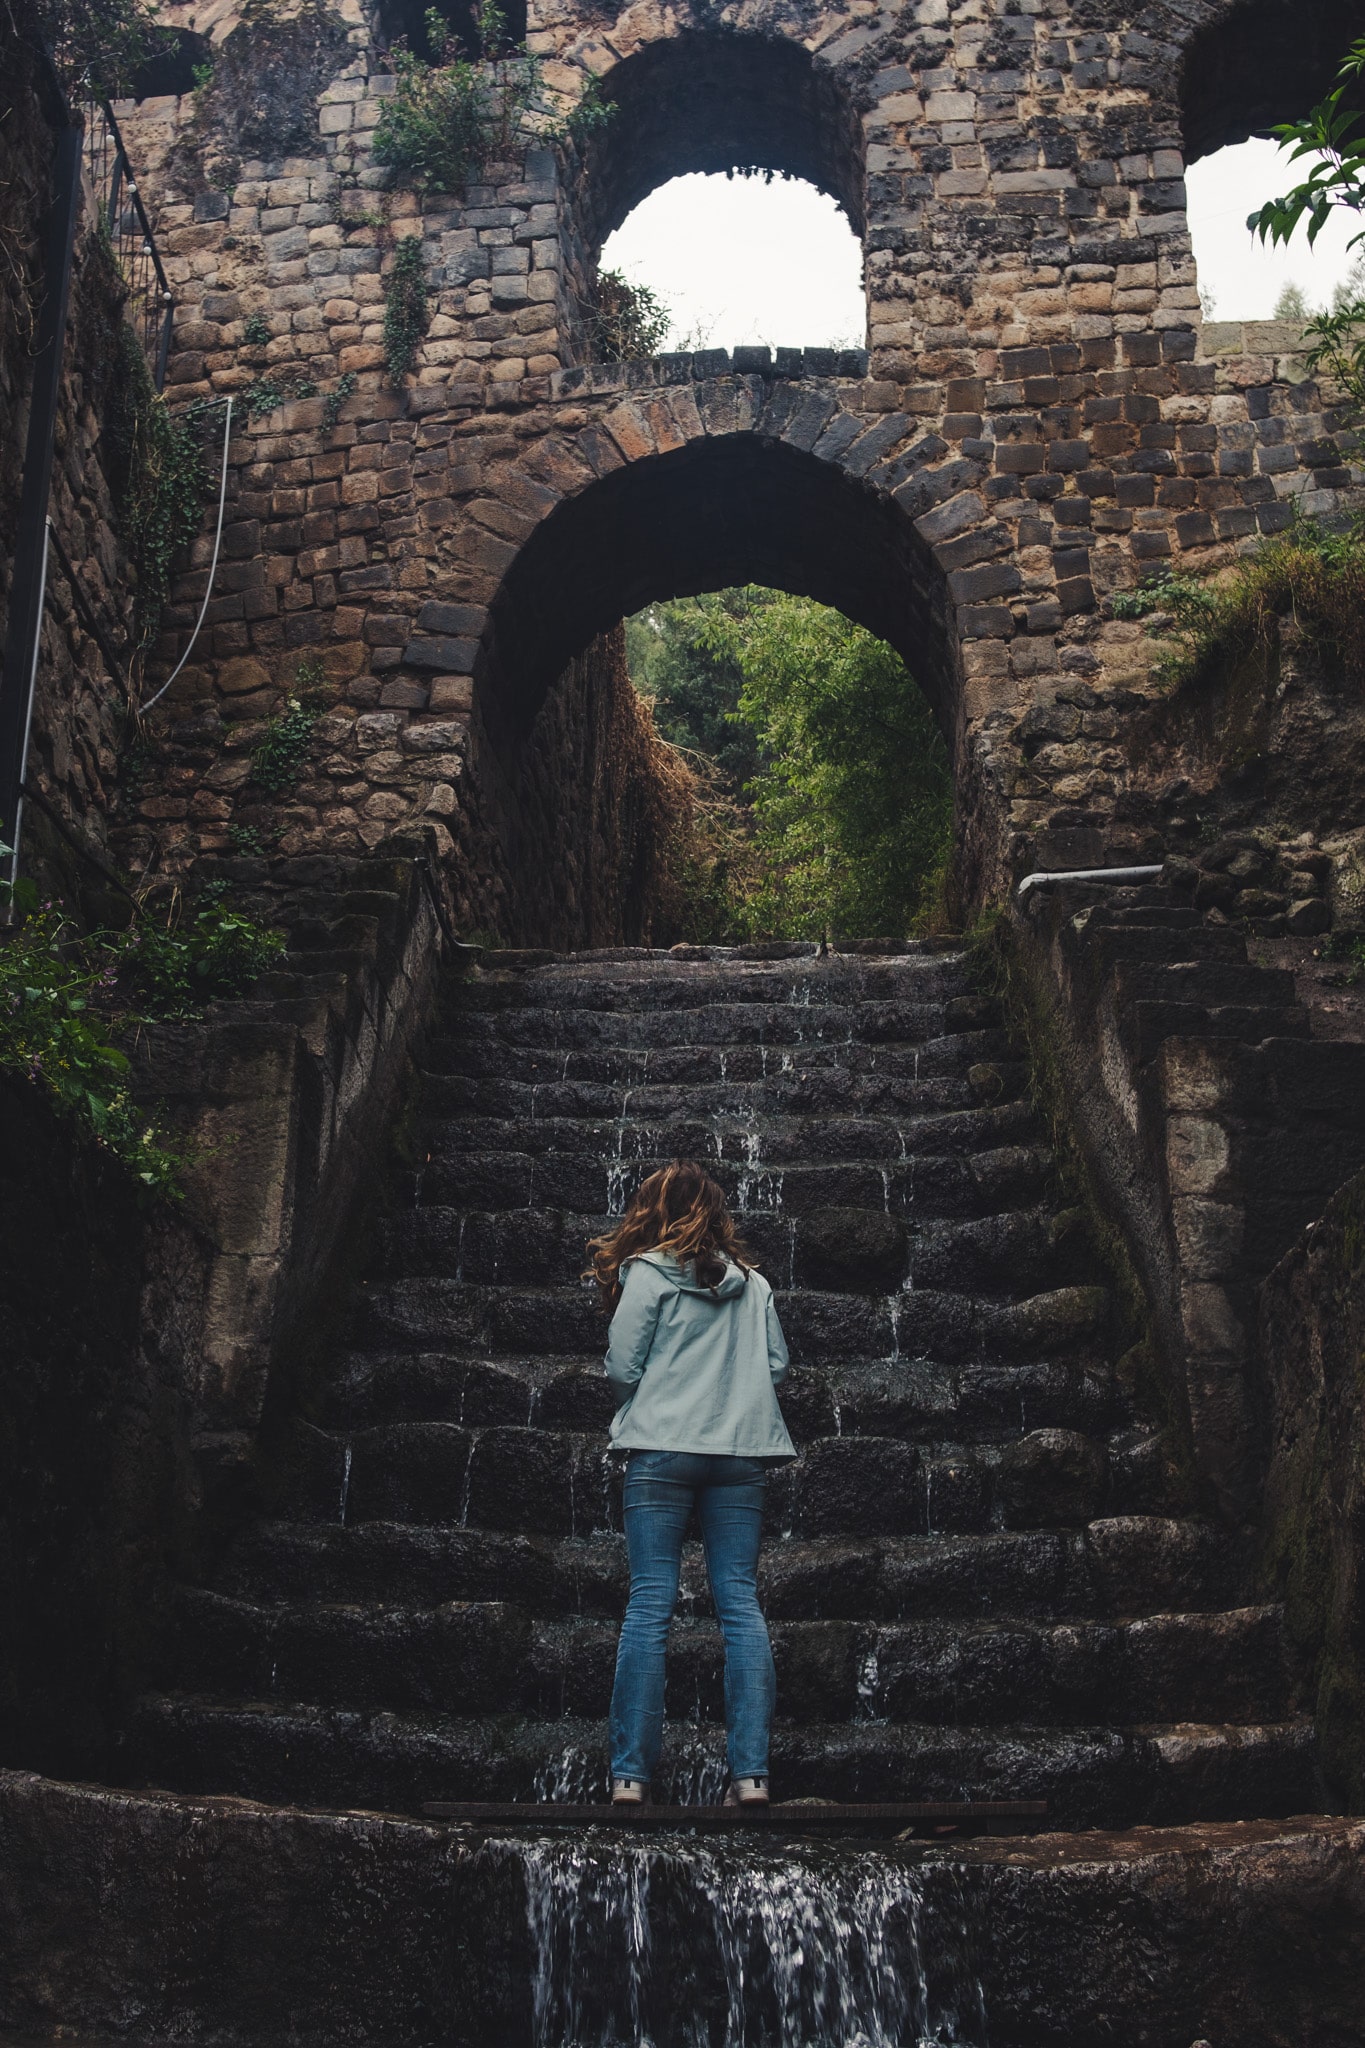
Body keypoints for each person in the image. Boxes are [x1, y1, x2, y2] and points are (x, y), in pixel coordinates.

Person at [585, 1159, 795, 1808]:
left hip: (663, 1451)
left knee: (650, 1602)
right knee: (739, 1601)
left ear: (652, 1210)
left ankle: (629, 1778)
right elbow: (777, 1366)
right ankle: (751, 1777)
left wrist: (651, 1398)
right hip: (738, 1455)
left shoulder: (645, 1274)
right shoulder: (754, 1285)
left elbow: (622, 1365)